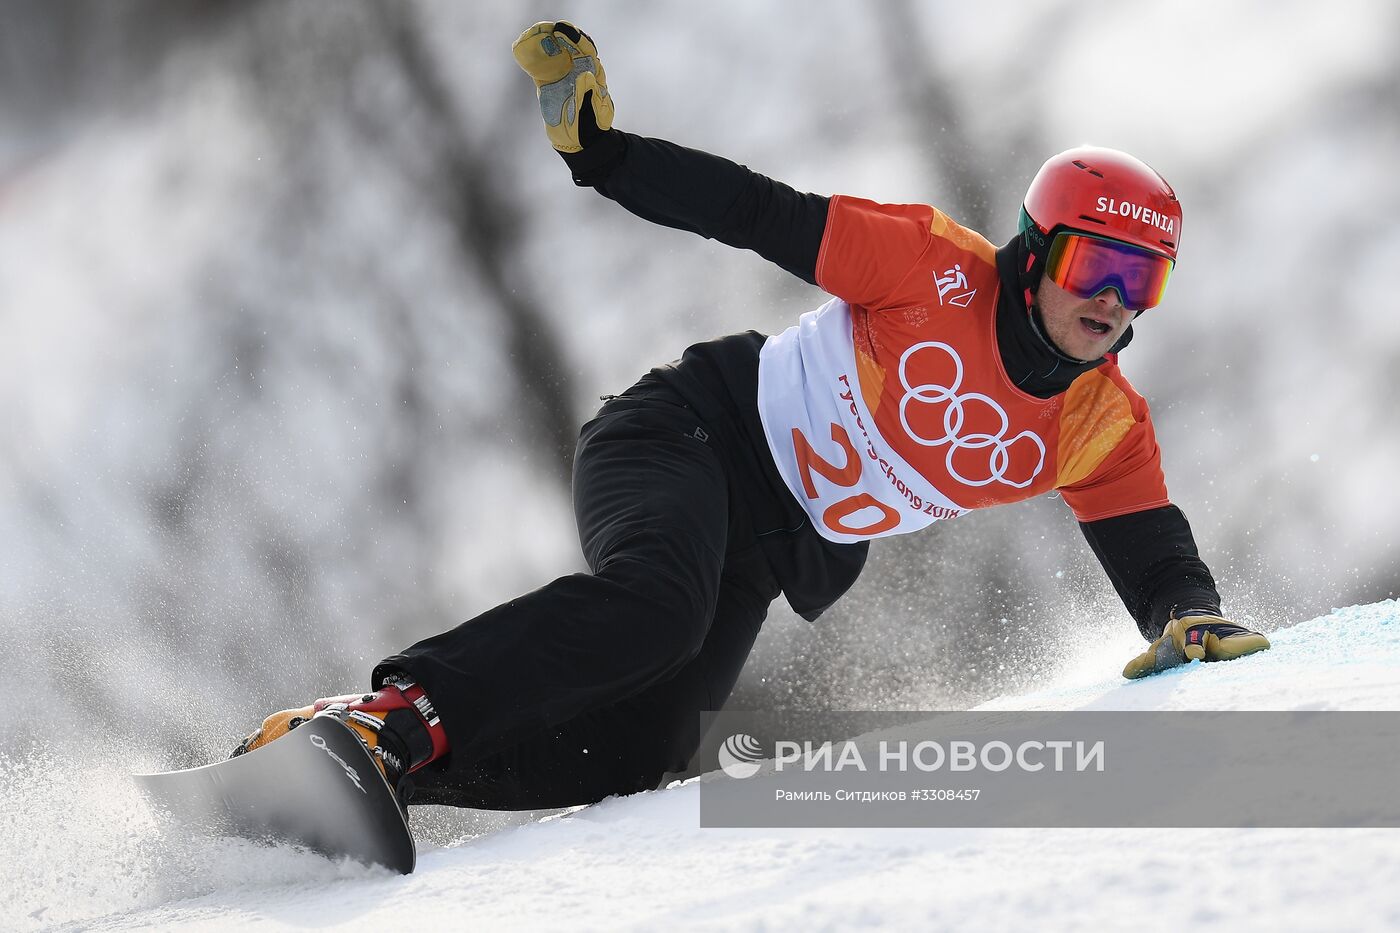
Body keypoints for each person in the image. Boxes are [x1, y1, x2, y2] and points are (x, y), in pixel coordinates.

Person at [234, 22, 1269, 807]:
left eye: (1144, 281)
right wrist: (605, 155)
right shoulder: (925, 266)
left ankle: (361, 772)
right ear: (1036, 250)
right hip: (689, 437)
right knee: (652, 607)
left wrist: (1183, 618)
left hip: (763, 554)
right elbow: (755, 212)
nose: (1113, 301)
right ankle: (388, 718)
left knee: (640, 756)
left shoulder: (1099, 424)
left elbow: (1151, 554)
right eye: (1096, 263)